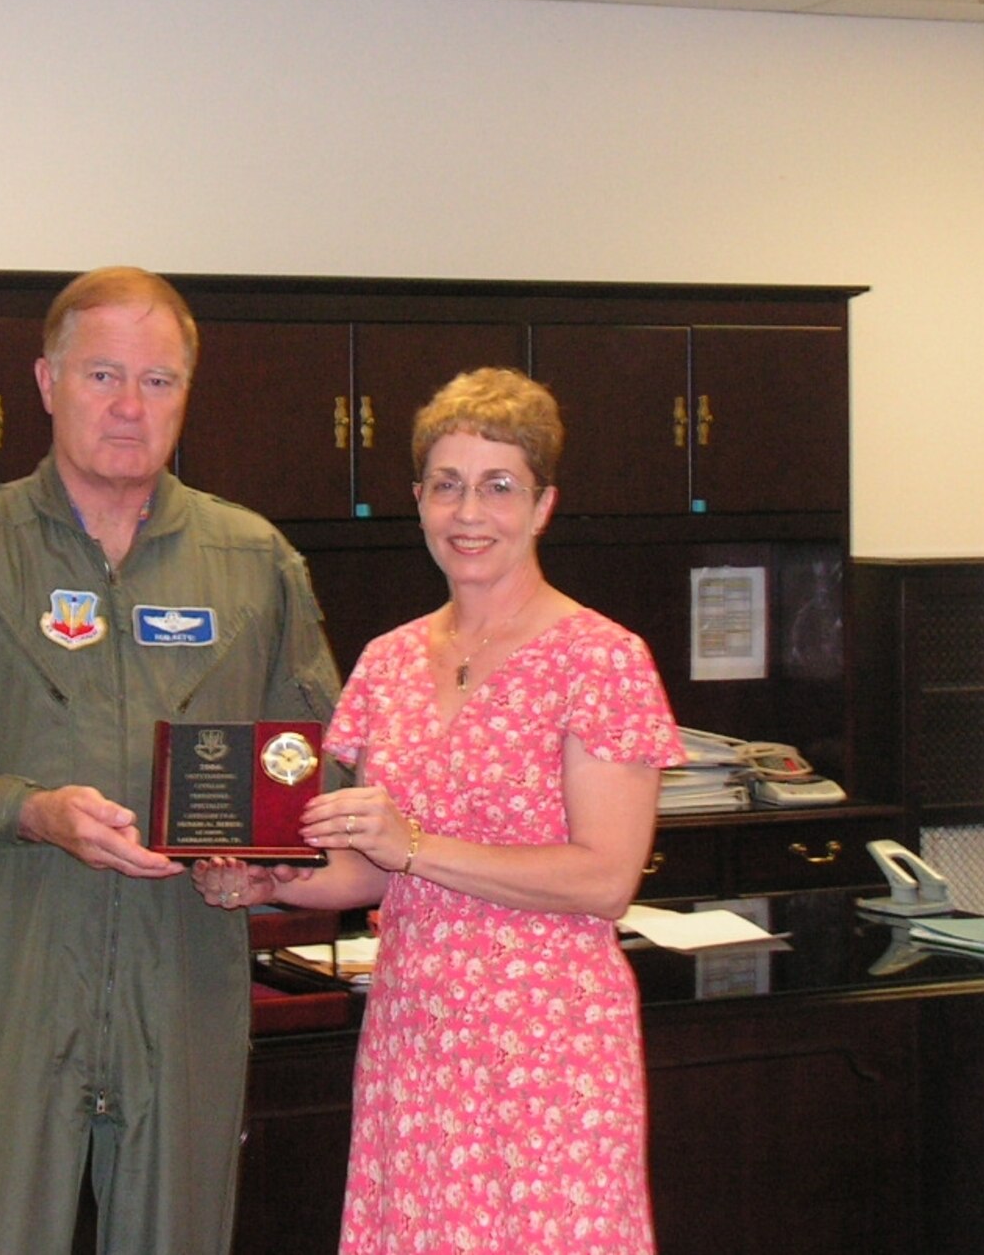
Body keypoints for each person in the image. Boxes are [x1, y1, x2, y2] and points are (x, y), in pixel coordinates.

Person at [0, 266, 341, 1255]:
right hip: (14, 970)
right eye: (101, 375)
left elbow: (312, 762)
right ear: (44, 382)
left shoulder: (253, 562)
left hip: (184, 974)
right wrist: (30, 811)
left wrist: (273, 857)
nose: (127, 406)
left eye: (157, 381)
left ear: (186, 396)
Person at [194, 366, 685, 1255]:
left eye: (499, 487)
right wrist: (266, 878)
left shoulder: (602, 660)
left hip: (550, 1052)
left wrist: (414, 845)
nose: (470, 513)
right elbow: (369, 866)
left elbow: (604, 878)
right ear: (417, 500)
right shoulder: (386, 660)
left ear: (542, 507)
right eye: (448, 486)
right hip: (414, 1037)